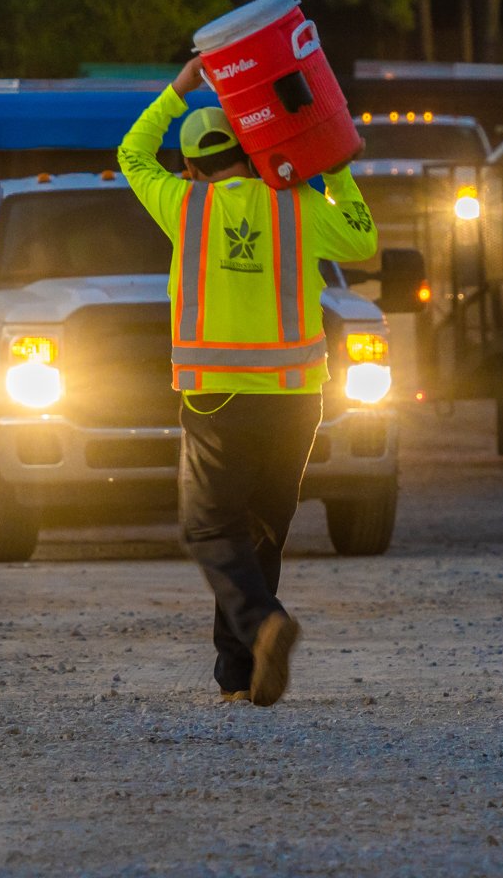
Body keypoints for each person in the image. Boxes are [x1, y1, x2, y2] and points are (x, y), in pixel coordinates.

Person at [118, 56, 377, 706]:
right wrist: (335, 160)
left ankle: (265, 625)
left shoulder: (184, 205)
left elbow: (131, 151)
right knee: (260, 530)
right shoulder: (298, 204)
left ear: (192, 166)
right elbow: (363, 239)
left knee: (210, 529)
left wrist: (178, 87)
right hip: (297, 401)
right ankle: (239, 677)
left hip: (218, 396)